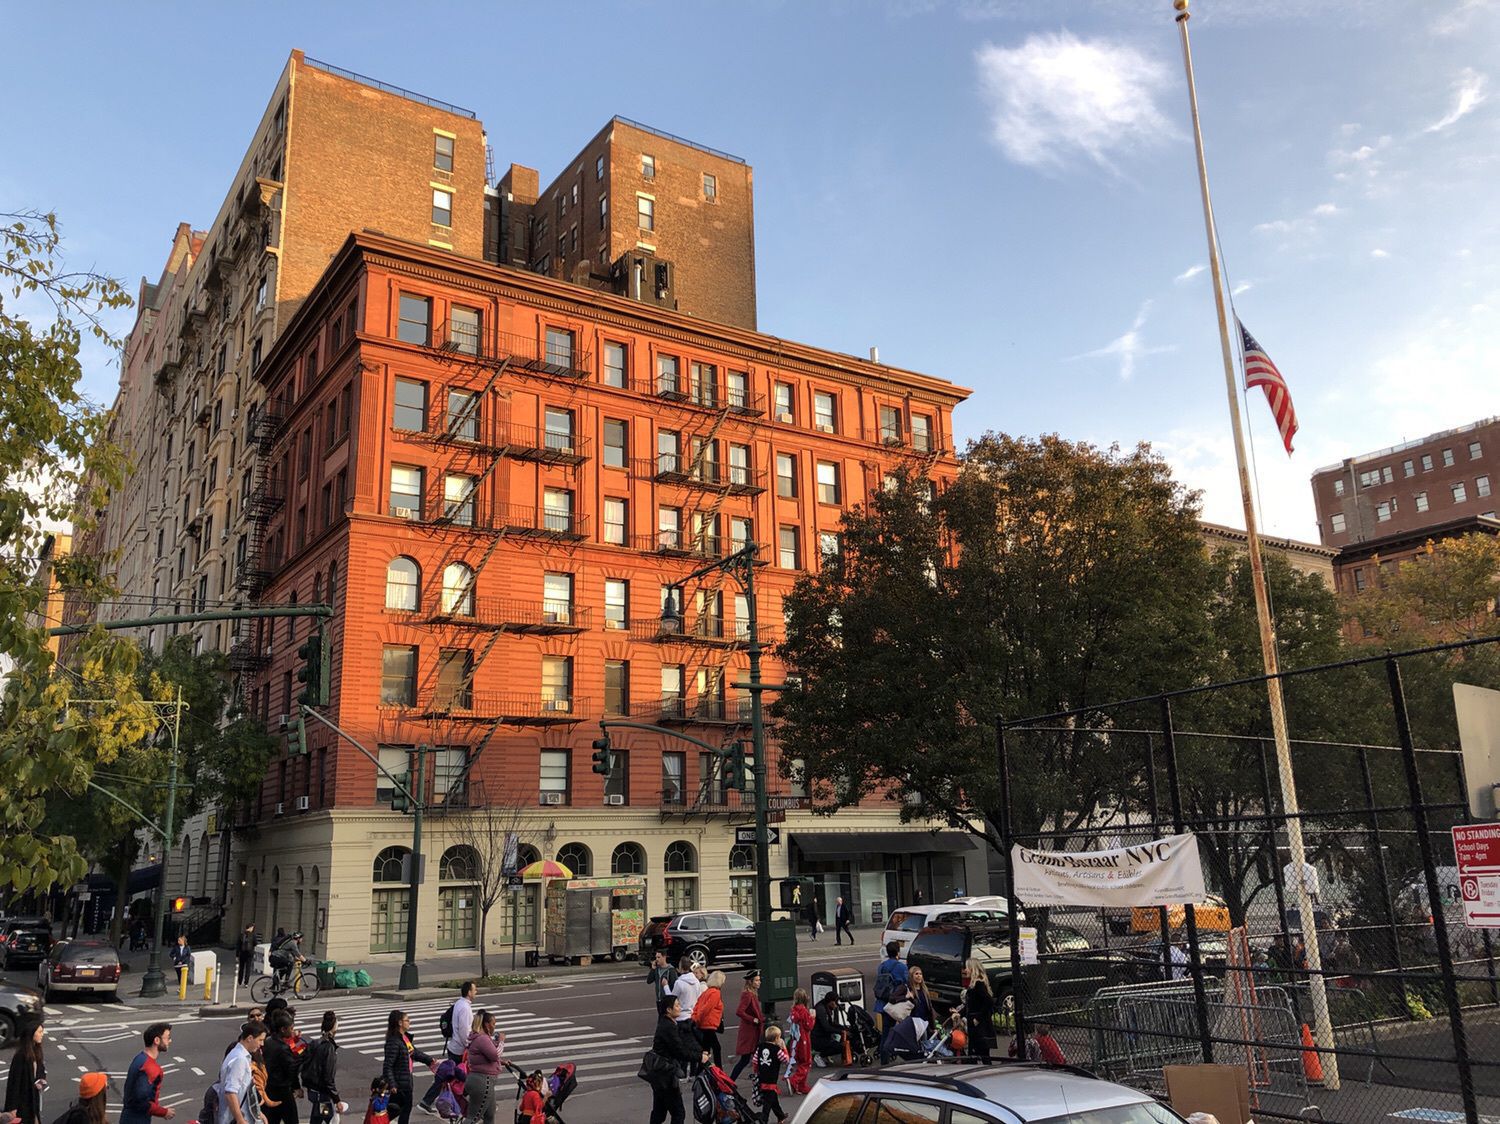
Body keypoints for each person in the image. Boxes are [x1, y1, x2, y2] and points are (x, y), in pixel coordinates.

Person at [647, 995, 709, 1124]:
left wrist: (699, 1052)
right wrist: (699, 1057)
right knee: (678, 1113)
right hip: (665, 1075)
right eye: (677, 1005)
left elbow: (683, 1044)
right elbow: (680, 1051)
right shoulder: (668, 1027)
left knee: (659, 1112)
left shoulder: (669, 1023)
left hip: (660, 1074)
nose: (680, 1007)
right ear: (669, 1010)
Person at [419, 981, 474, 1114]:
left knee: (448, 1076)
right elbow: (464, 1031)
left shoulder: (459, 1003)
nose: (476, 992)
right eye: (474, 990)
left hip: (454, 1046)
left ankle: (430, 1101)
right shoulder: (465, 1008)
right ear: (469, 992)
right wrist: (468, 1045)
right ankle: (431, 1101)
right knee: (454, 1077)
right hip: (459, 1049)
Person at [381, 1010, 436, 1124]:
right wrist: (392, 1084)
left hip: (406, 1081)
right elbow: (388, 1066)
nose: (409, 1022)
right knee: (397, 1110)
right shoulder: (394, 1042)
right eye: (407, 1020)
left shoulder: (404, 1038)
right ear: (400, 1023)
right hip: (399, 1083)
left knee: (404, 1110)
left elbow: (414, 1053)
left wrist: (430, 1060)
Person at [121, 1022, 177, 1124]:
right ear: (157, 1040)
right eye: (168, 1037)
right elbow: (141, 1101)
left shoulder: (139, 1058)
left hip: (127, 1116)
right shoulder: (150, 1068)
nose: (170, 1040)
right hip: (138, 1119)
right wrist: (164, 1112)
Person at [220, 1021, 269, 1124]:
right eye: (260, 1040)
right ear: (250, 1038)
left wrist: (258, 1112)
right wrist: (240, 1119)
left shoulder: (238, 1054)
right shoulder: (240, 1059)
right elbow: (230, 1092)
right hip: (237, 1119)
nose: (262, 1044)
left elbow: (247, 1091)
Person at [301, 1012, 346, 1124]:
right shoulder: (329, 1048)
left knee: (318, 1117)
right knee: (329, 1118)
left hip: (313, 1091)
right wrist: (337, 1100)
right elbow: (328, 1078)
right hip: (322, 1095)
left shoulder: (315, 1043)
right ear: (335, 1028)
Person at [262, 1011, 304, 1124]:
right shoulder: (283, 1048)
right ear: (283, 1029)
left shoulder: (268, 1041)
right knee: (292, 1120)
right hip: (283, 1091)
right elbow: (292, 1069)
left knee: (271, 1120)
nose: (292, 1031)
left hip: (269, 1088)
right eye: (291, 1028)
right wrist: (297, 1087)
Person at [461, 1011, 501, 1124]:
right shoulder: (482, 1039)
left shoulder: (479, 1038)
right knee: (473, 1117)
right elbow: (495, 1055)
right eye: (493, 1024)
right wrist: (501, 1042)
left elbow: (483, 1057)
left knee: (489, 1115)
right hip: (483, 1082)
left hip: (482, 1081)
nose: (494, 1026)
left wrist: (502, 1062)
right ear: (487, 1025)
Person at [4, 1018, 46, 1124]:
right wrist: (12, 1107)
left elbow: (41, 1070)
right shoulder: (21, 1056)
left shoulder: (37, 1051)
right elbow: (14, 1082)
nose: (42, 1034)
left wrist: (41, 1080)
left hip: (33, 1099)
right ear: (31, 1034)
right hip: (23, 1102)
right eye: (40, 1032)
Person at [956, 959, 995, 1063]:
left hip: (978, 1026)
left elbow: (989, 1001)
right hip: (975, 1024)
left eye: (967, 968)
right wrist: (959, 1013)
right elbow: (971, 1004)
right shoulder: (974, 985)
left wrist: (978, 1018)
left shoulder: (978, 984)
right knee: (976, 1053)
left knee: (980, 1053)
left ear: (973, 969)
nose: (965, 970)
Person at [728, 971, 762, 1081]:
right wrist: (753, 1019)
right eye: (756, 980)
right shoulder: (747, 995)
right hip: (749, 1031)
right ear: (750, 982)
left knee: (753, 1057)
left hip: (752, 1030)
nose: (759, 982)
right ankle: (731, 1081)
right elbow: (740, 1011)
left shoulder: (752, 993)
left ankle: (758, 1078)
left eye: (759, 980)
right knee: (746, 1059)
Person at [752, 1027, 789, 1124]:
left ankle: (780, 1116)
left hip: (762, 1077)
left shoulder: (760, 1047)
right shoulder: (776, 1050)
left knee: (772, 1098)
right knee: (768, 1101)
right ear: (777, 1038)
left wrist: (756, 1072)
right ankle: (764, 1119)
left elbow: (755, 1061)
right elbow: (786, 1060)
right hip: (771, 1079)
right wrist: (784, 1048)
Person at [691, 971, 725, 1070]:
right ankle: (719, 1070)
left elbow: (697, 1006)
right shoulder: (715, 993)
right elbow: (706, 1009)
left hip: (704, 1024)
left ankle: (700, 1070)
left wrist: (695, 1017)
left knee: (706, 1050)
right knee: (716, 1048)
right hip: (709, 1024)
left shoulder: (707, 992)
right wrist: (698, 1019)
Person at [873, 941, 909, 1033]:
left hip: (882, 1001)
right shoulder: (901, 967)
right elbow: (906, 982)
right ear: (898, 952)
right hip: (894, 1002)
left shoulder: (882, 966)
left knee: (886, 1028)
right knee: (894, 1029)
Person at [786, 990, 814, 1095]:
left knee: (800, 1062)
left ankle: (802, 1086)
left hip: (795, 1041)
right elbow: (809, 1026)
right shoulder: (804, 1011)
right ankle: (794, 1080)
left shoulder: (793, 1010)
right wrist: (813, 1018)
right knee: (806, 1062)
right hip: (803, 1040)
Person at [811, 992, 845, 1062]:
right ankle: (820, 1056)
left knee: (839, 1044)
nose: (836, 1005)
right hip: (817, 1039)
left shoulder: (826, 1007)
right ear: (831, 1002)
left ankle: (825, 1055)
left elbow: (831, 1023)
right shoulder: (821, 1009)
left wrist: (843, 1028)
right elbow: (826, 1027)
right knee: (840, 1047)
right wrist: (841, 1031)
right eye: (835, 1002)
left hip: (824, 1037)